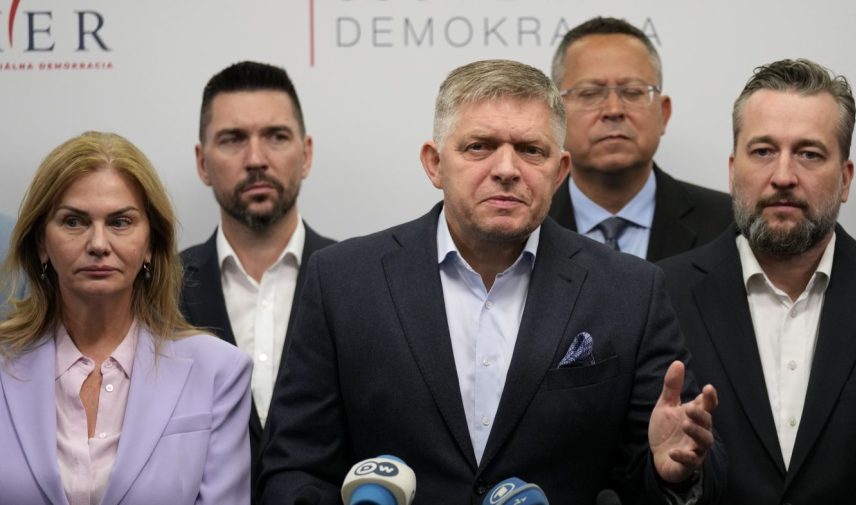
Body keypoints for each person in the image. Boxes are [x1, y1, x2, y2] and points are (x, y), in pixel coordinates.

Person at [258, 59, 725, 504]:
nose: (506, 169)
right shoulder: (343, 281)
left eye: (530, 150)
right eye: (479, 146)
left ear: (559, 171)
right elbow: (294, 468)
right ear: (434, 163)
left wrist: (675, 473)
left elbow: (664, 465)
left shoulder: (630, 291)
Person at [659, 59, 856, 503]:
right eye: (763, 151)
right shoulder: (660, 297)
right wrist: (676, 477)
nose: (784, 176)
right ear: (733, 172)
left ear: (845, 179)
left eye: (809, 154)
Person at [0, 131, 252, 504]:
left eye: (120, 222)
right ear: (41, 244)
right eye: (74, 222)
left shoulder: (217, 371)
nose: (98, 244)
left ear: (151, 243)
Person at [179, 60, 335, 500]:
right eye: (232, 139)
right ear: (202, 162)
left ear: (305, 155)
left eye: (276, 137)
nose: (256, 159)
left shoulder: (362, 284)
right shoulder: (156, 291)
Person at [548, 16, 732, 261]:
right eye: (590, 93)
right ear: (556, 116)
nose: (613, 110)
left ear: (663, 113)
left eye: (633, 92)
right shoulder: (527, 224)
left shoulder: (726, 223)